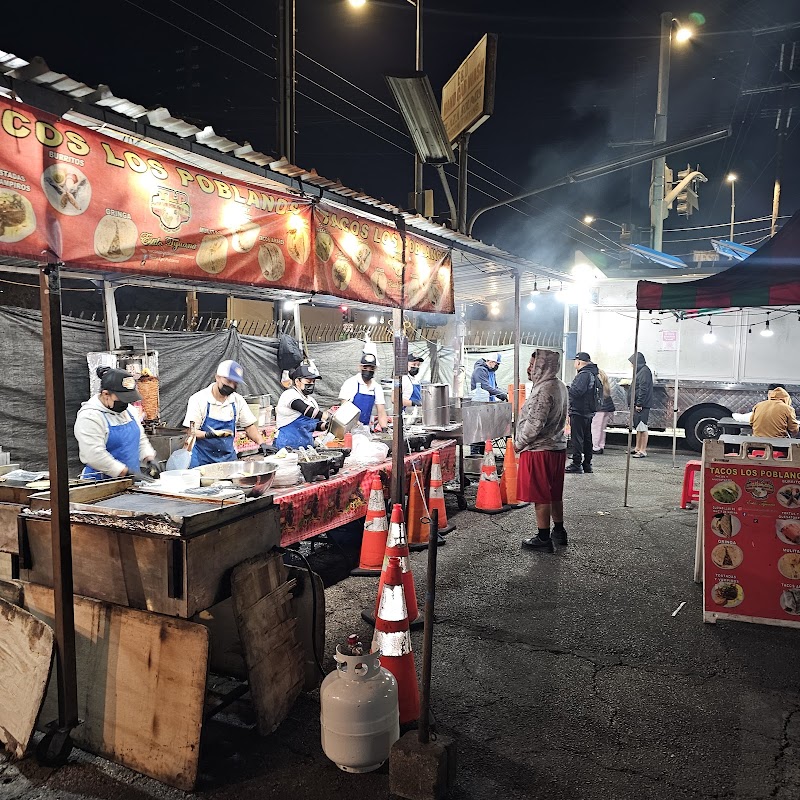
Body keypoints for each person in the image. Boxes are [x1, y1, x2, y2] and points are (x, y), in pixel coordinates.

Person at [514, 349, 569, 553]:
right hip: (557, 447)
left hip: (540, 450)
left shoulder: (543, 390)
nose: (530, 369)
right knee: (554, 493)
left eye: (533, 365)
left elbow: (534, 425)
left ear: (543, 366)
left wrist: (518, 443)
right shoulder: (560, 385)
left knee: (541, 495)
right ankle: (559, 531)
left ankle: (543, 537)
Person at [75, 367, 160, 480]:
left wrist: (149, 458)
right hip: (99, 485)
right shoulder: (90, 417)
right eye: (121, 399)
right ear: (106, 394)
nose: (125, 404)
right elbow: (94, 455)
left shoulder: (129, 410)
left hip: (128, 483)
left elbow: (140, 439)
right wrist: (125, 472)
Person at [183, 360, 269, 468]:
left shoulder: (237, 401)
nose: (232, 386)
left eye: (235, 383)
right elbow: (190, 431)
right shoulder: (199, 399)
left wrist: (262, 443)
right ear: (217, 377)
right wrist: (210, 434)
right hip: (202, 461)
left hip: (228, 460)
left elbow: (249, 427)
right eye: (228, 381)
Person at [274, 364, 330, 449]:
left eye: (313, 382)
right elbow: (304, 409)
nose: (311, 384)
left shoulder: (311, 401)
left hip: (306, 447)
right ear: (297, 382)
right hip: (286, 445)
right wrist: (327, 416)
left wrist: (327, 426)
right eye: (308, 382)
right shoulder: (289, 394)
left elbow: (313, 425)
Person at [565, 352, 599, 474]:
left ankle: (576, 463)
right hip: (588, 411)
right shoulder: (593, 373)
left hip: (579, 411)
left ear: (579, 362)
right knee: (587, 438)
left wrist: (568, 388)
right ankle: (587, 464)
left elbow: (577, 391)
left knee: (577, 438)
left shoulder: (584, 375)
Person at [338, 353, 389, 430]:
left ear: (375, 369)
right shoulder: (350, 383)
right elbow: (345, 408)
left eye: (371, 368)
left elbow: (381, 412)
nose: (368, 370)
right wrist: (356, 423)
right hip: (348, 427)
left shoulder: (376, 387)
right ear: (360, 367)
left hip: (365, 428)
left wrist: (384, 428)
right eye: (365, 367)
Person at [628, 352, 654, 457]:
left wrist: (639, 403)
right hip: (639, 404)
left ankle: (643, 450)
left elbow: (643, 388)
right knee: (638, 427)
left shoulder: (644, 372)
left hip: (642, 405)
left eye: (632, 363)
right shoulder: (642, 371)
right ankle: (637, 448)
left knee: (642, 427)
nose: (631, 365)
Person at [591, 368, 616, 455]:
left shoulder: (597, 386)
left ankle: (595, 447)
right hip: (607, 409)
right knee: (602, 429)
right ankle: (601, 445)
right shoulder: (606, 387)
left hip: (599, 410)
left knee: (595, 428)